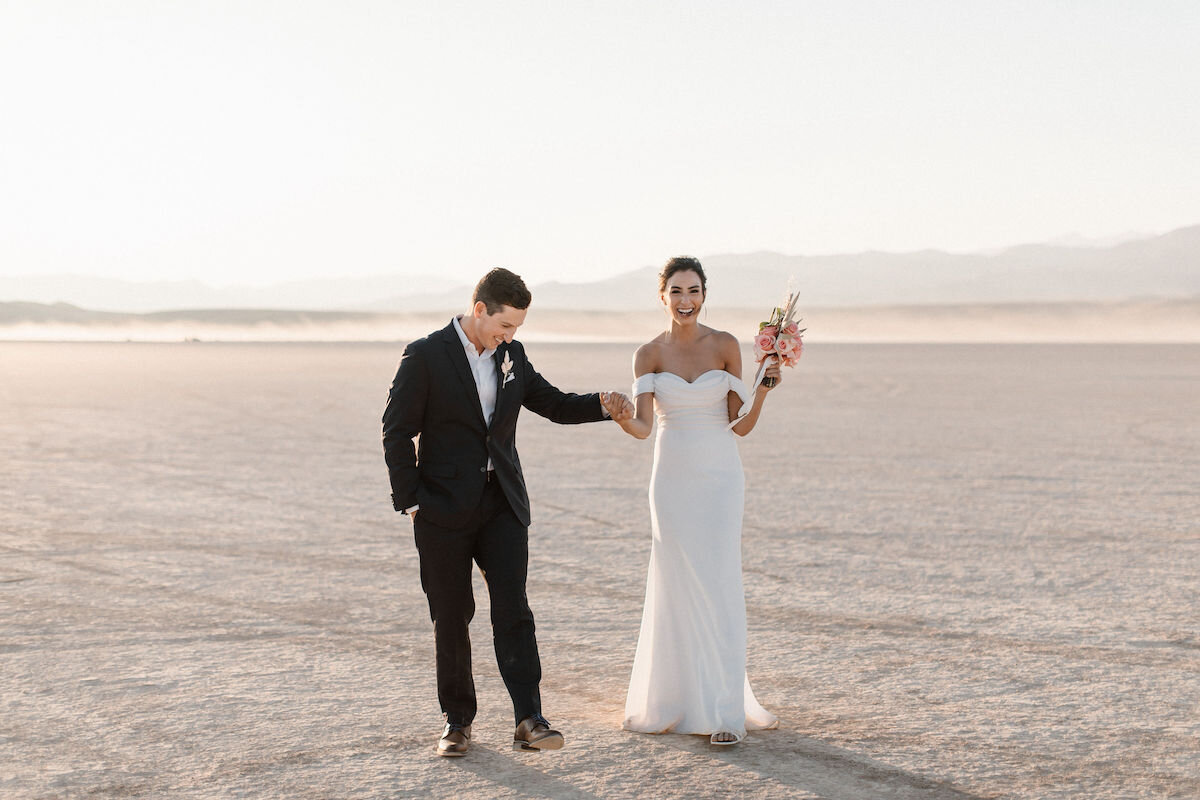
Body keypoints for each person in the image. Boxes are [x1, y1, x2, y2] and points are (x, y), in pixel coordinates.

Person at [382, 268, 632, 757]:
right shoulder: (426, 355)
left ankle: (529, 719)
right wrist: (411, 502)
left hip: (503, 505)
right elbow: (395, 431)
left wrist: (603, 405)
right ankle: (457, 723)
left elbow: (553, 403)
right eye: (506, 326)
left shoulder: (512, 356)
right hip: (441, 510)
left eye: (516, 328)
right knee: (451, 616)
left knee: (514, 612)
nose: (510, 336)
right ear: (480, 310)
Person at [609, 256, 781, 745]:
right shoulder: (647, 355)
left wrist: (764, 392)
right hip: (672, 478)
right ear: (662, 296)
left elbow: (739, 424)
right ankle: (673, 701)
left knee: (719, 579)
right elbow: (644, 428)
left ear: (705, 294)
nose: (686, 301)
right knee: (676, 580)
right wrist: (622, 417)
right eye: (677, 291)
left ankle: (725, 712)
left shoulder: (725, 346)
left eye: (694, 291)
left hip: (721, 475)